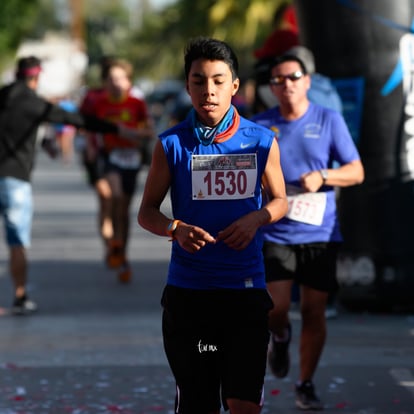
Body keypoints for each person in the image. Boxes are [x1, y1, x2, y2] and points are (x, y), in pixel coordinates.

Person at [138, 37, 288, 414]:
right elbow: (147, 212)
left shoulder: (260, 141)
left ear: (235, 86)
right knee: (199, 403)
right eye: (199, 81)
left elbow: (281, 201)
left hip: (245, 293)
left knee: (243, 403)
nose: (209, 91)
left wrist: (256, 218)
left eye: (219, 81)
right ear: (187, 85)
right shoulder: (171, 144)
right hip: (190, 296)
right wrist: (175, 229)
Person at [252, 53, 364, 410]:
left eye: (293, 77)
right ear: (270, 87)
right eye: (278, 80)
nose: (286, 85)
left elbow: (356, 171)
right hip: (275, 231)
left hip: (320, 232)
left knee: (315, 311)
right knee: (276, 308)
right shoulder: (259, 125)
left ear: (307, 81)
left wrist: (325, 176)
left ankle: (305, 383)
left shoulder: (328, 120)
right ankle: (280, 336)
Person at [0, 56, 141, 315]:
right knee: (17, 242)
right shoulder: (34, 103)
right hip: (14, 180)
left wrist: (42, 144)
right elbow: (76, 120)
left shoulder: (4, 97)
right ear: (36, 77)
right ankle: (20, 297)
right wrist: (118, 129)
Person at [90, 58, 154, 283]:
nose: (116, 83)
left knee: (124, 210)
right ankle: (113, 241)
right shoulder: (101, 104)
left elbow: (149, 131)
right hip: (110, 157)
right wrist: (90, 147)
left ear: (128, 82)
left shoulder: (136, 103)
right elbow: (91, 130)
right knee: (114, 195)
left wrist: (135, 133)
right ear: (105, 83)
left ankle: (122, 252)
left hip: (132, 159)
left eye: (120, 79)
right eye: (111, 79)